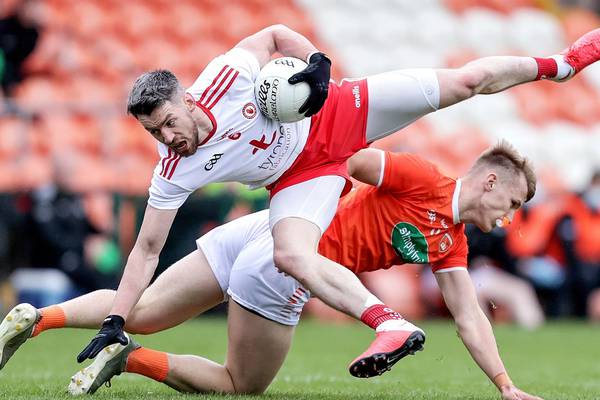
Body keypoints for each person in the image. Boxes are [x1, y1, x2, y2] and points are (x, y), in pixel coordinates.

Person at [63, 24, 600, 379]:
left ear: (183, 99)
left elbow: (275, 34)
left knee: (469, 80)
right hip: (306, 174)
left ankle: (563, 64)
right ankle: (388, 322)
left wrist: (315, 63)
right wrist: (116, 317)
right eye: (155, 133)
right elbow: (145, 247)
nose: (168, 137)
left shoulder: (227, 77)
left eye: (169, 124)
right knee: (287, 258)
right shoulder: (175, 166)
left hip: (340, 112)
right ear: (488, 181)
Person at [0, 142, 542, 400]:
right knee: (241, 384)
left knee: (136, 309)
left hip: (266, 229)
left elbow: (469, 314)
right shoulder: (425, 178)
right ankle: (129, 360)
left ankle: (34, 318)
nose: (508, 219)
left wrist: (504, 384)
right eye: (512, 202)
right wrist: (321, 204)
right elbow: (351, 158)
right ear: (489, 183)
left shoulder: (451, 242)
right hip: (286, 258)